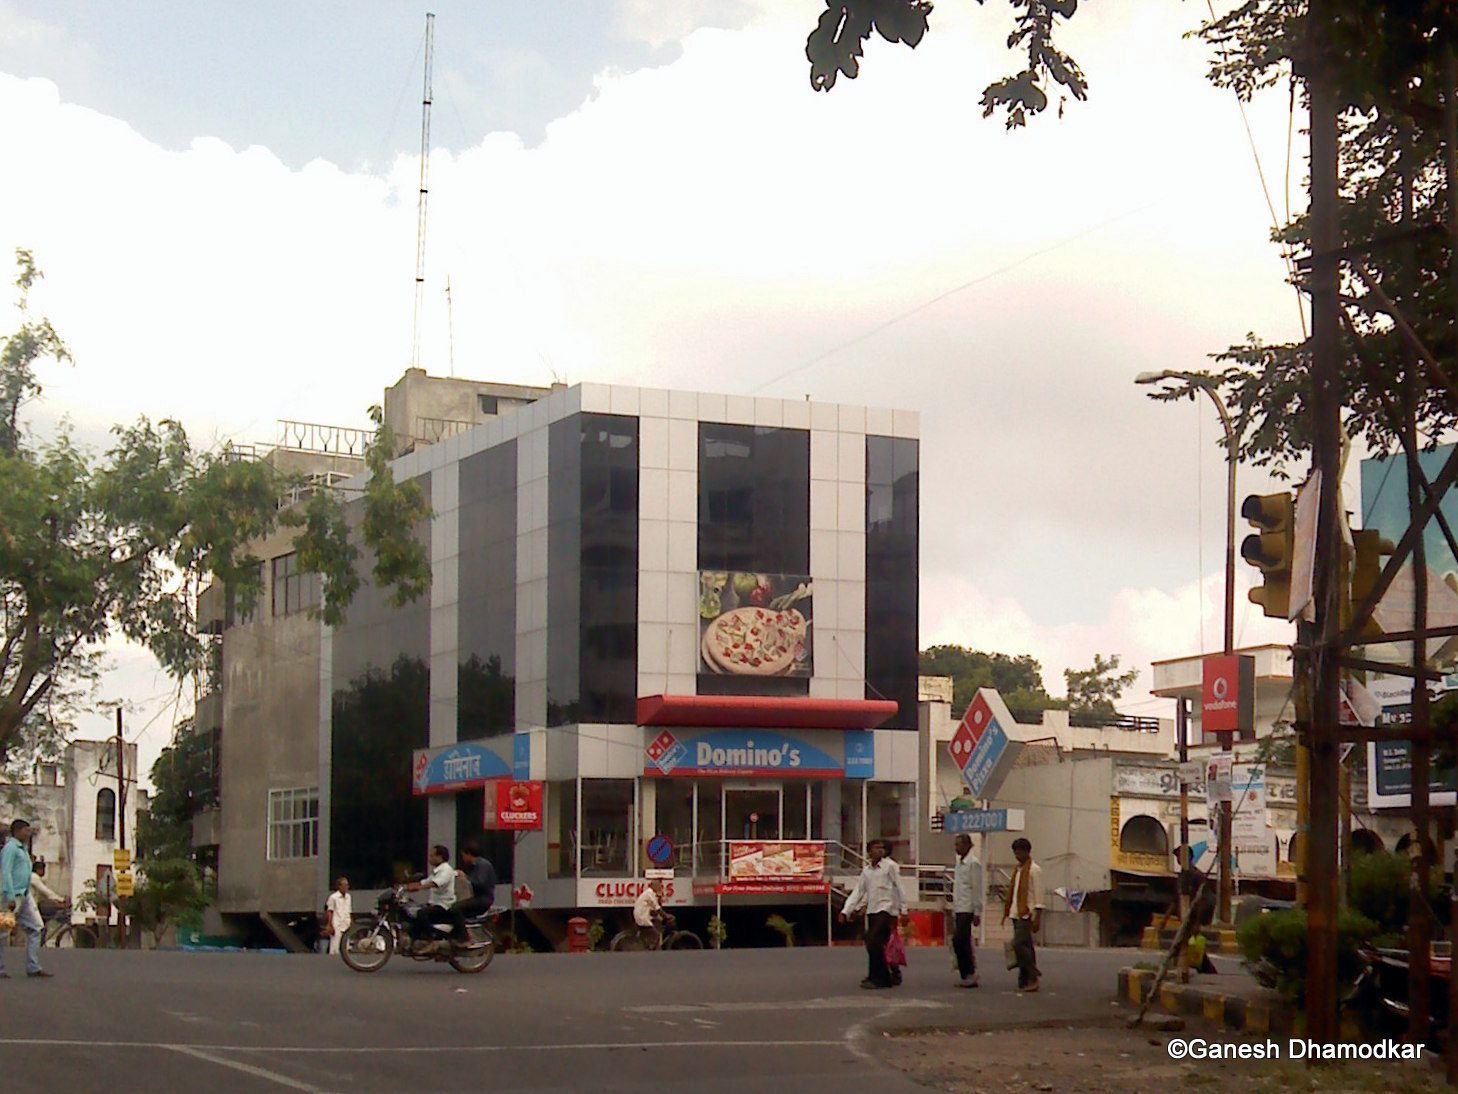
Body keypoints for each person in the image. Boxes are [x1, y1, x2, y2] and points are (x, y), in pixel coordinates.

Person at [839, 838, 906, 989]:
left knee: (872, 939)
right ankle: (878, 974)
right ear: (869, 851)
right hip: (873, 910)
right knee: (874, 943)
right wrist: (846, 910)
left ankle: (882, 978)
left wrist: (904, 910)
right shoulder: (867, 871)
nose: (880, 850)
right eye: (876, 848)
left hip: (887, 910)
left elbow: (899, 888)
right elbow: (859, 892)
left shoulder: (890, 866)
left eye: (881, 848)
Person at [1, 819, 50, 978]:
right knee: (3, 932)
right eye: (26, 831)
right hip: (11, 896)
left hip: (24, 894)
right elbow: (6, 872)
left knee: (36, 927)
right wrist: (9, 895)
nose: (28, 834)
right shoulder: (11, 848)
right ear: (18, 831)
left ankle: (33, 966)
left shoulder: (23, 850)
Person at [1002, 836, 1044, 993]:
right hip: (1016, 912)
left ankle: (1033, 974)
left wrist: (1037, 916)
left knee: (1018, 944)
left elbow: (1039, 895)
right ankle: (1026, 979)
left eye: (1020, 853)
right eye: (1015, 853)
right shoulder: (1018, 870)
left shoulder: (1034, 870)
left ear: (1027, 852)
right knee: (1026, 946)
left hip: (1027, 914)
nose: (1017, 856)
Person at [405, 844, 456, 947]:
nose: (430, 858)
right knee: (412, 913)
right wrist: (405, 887)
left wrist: (418, 888)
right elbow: (424, 882)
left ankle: (430, 941)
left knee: (421, 913)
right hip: (435, 904)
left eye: (432, 856)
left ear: (440, 857)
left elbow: (435, 883)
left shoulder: (446, 870)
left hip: (444, 905)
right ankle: (413, 942)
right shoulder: (437, 871)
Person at [950, 833, 982, 988]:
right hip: (959, 906)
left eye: (959, 845)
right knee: (962, 941)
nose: (956, 848)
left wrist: (977, 911)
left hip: (968, 907)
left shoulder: (973, 863)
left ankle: (969, 971)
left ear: (968, 845)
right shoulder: (959, 862)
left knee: (959, 939)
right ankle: (966, 973)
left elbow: (976, 888)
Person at [451, 842, 497, 940]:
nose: (463, 859)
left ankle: (463, 937)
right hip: (479, 898)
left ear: (469, 854)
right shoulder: (476, 865)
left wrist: (465, 878)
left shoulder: (482, 865)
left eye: (463, 856)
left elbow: (479, 882)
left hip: (482, 900)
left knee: (455, 908)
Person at [632, 880, 670, 948]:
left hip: (641, 916)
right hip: (642, 917)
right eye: (659, 886)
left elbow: (653, 911)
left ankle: (648, 945)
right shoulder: (650, 893)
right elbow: (657, 908)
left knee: (655, 924)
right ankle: (652, 949)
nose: (660, 888)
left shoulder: (650, 894)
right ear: (653, 886)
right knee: (656, 935)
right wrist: (666, 916)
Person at [324, 876, 351, 956]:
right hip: (337, 924)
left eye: (347, 885)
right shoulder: (333, 897)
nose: (347, 887)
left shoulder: (348, 897)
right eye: (345, 885)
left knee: (346, 946)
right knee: (335, 947)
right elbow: (329, 911)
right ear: (339, 886)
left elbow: (349, 910)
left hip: (346, 923)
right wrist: (329, 925)